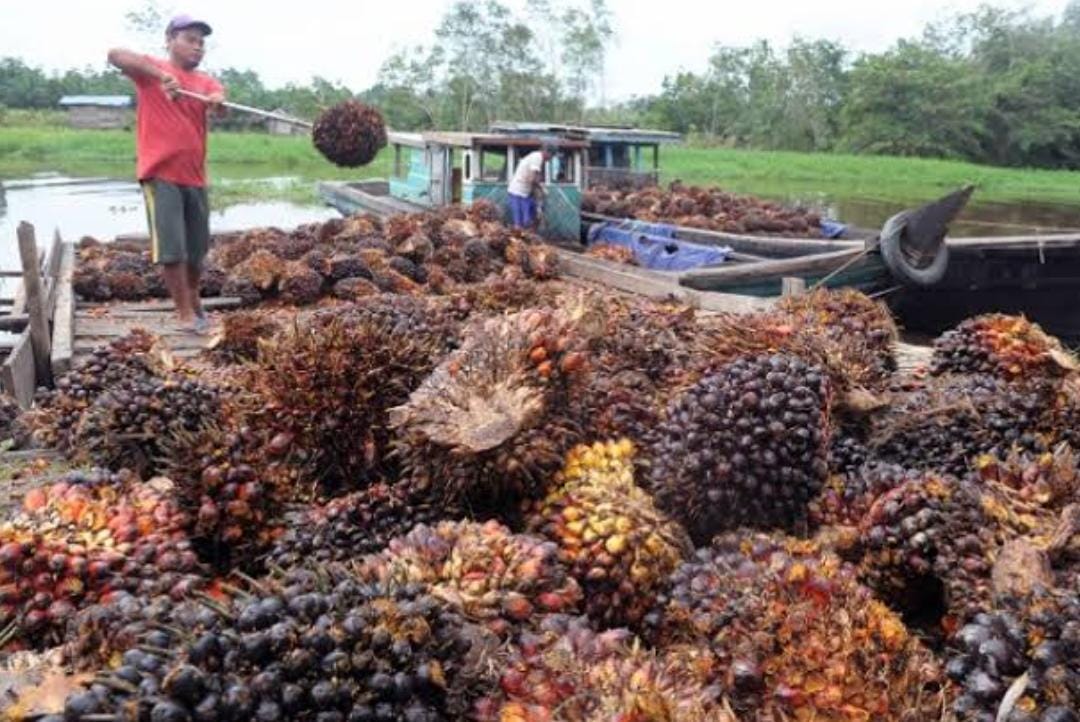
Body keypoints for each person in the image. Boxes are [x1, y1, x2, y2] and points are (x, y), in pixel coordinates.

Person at [108, 15, 225, 334]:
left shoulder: (205, 82)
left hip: (195, 177)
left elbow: (219, 100)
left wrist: (217, 102)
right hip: (160, 174)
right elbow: (115, 55)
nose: (197, 47)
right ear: (170, 39)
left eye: (201, 43)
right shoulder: (150, 71)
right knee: (172, 248)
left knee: (198, 250)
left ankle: (193, 296)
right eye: (190, 39)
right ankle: (184, 313)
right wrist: (161, 77)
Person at [507, 145, 554, 229]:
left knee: (529, 219)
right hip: (517, 191)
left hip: (525, 193)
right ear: (547, 152)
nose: (550, 159)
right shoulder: (537, 158)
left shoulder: (537, 158)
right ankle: (519, 239)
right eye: (551, 156)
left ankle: (529, 237)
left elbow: (536, 177)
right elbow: (533, 179)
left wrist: (538, 192)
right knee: (519, 221)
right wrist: (542, 189)